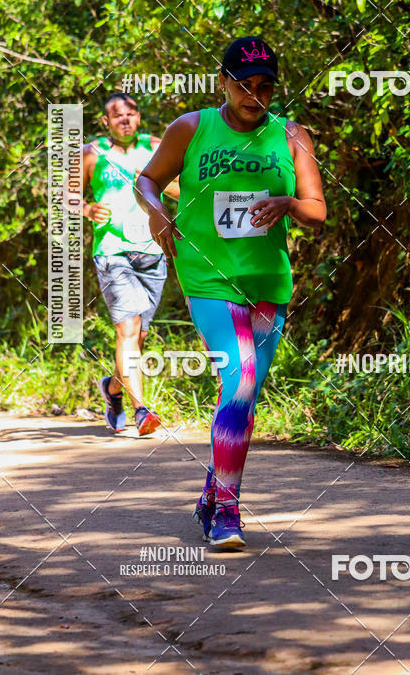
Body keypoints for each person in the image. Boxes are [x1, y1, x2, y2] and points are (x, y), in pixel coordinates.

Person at [135, 36, 326, 549]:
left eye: (264, 87)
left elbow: (318, 210)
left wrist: (287, 202)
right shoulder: (193, 128)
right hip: (208, 276)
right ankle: (227, 511)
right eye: (243, 85)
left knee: (242, 395)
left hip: (268, 283)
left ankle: (209, 495)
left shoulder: (291, 135)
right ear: (222, 81)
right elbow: (147, 180)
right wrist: (157, 211)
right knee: (239, 381)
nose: (254, 96)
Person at [78, 92, 180, 436]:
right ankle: (142, 411)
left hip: (152, 248)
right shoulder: (92, 153)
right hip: (112, 251)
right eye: (117, 115)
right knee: (128, 330)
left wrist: (154, 181)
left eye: (131, 114)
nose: (125, 119)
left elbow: (183, 188)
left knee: (139, 338)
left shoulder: (155, 146)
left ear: (138, 118)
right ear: (106, 122)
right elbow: (65, 193)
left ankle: (114, 389)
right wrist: (87, 209)